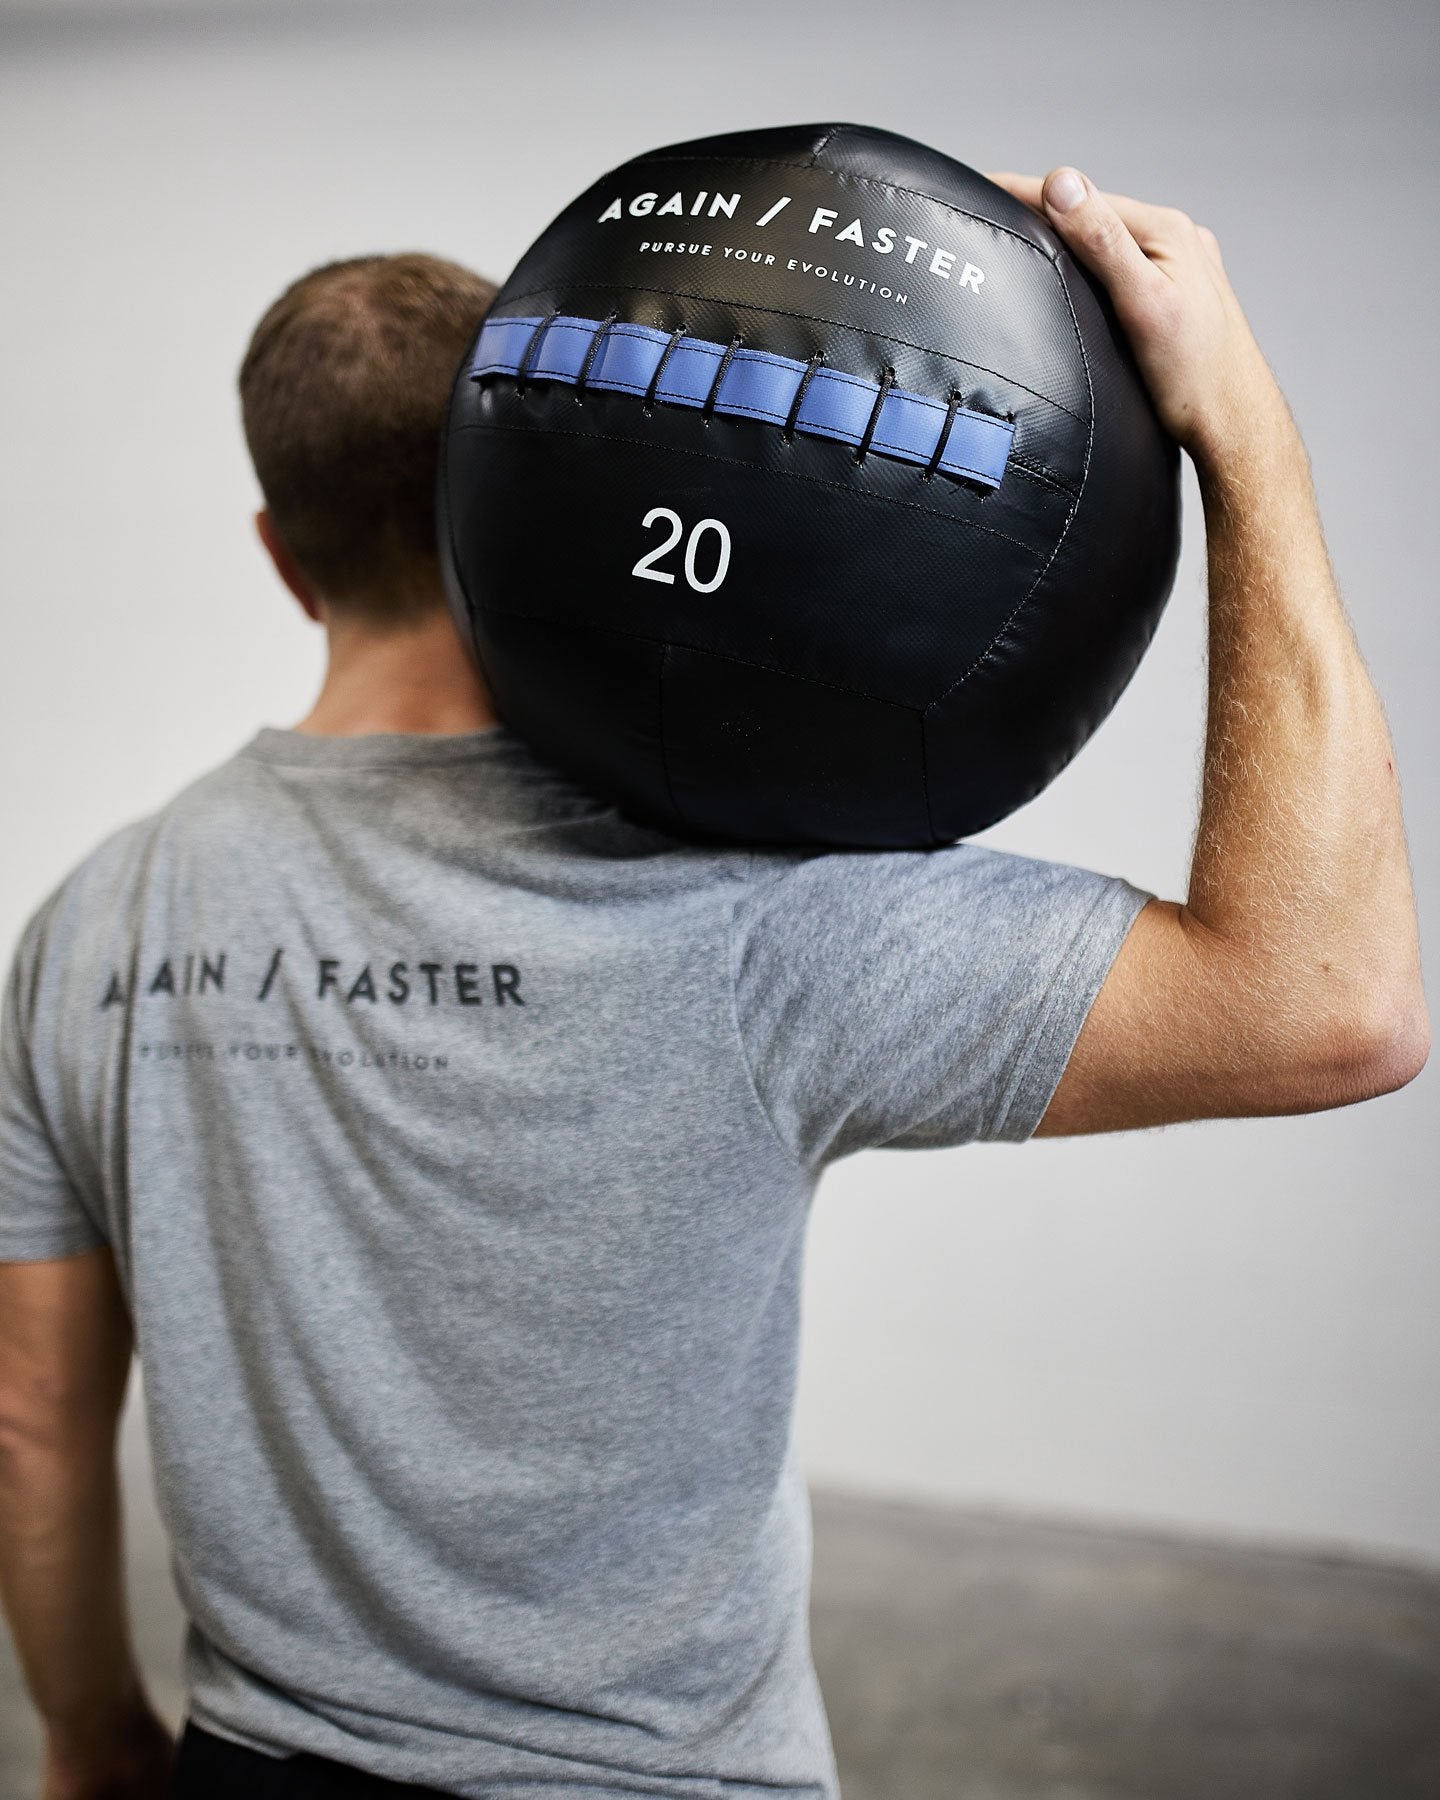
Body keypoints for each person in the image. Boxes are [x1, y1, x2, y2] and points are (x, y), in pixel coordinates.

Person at [0, 166, 1427, 1800]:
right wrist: (1248, 440)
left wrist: (95, 1737)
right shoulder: (743, 913)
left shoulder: (96, 919)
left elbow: (31, 1415)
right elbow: (1335, 1005)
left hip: (260, 1762)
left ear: (281, 553)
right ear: (526, 481)